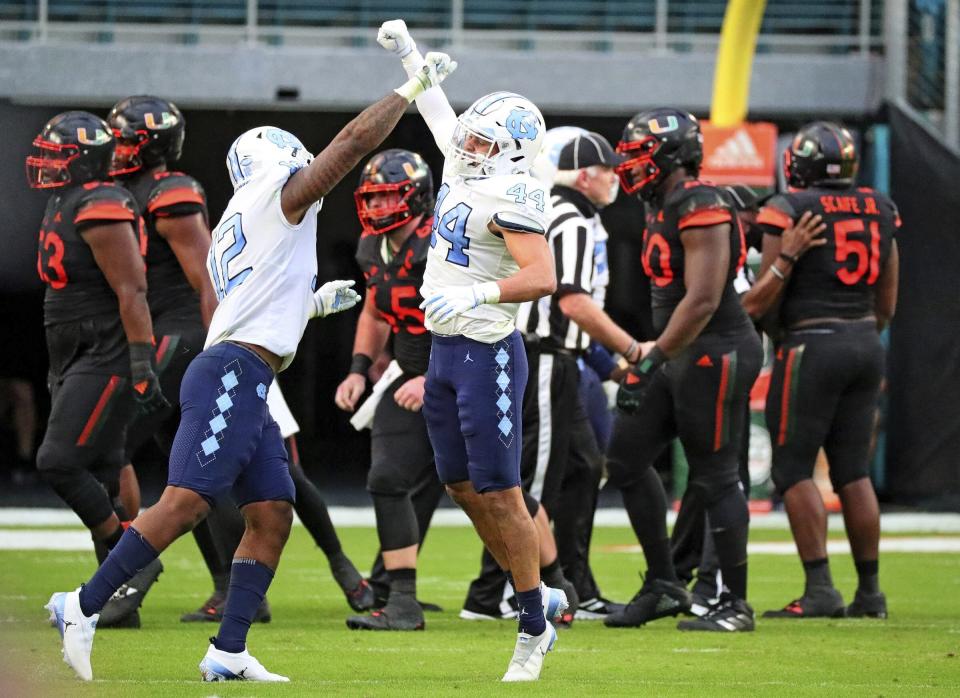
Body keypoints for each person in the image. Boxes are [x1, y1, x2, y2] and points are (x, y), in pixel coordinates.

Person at [46, 50, 457, 682]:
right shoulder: (276, 196)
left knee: (271, 513)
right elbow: (346, 147)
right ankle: (83, 606)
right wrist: (407, 92)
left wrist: (311, 305)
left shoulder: (244, 219)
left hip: (246, 367)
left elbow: (251, 301)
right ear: (274, 164)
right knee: (186, 501)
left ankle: (230, 649)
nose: (303, 166)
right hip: (233, 369)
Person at [377, 19, 566, 682]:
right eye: (472, 136)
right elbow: (438, 112)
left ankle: (534, 621)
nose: (468, 145)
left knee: (501, 491)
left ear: (515, 151)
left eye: (485, 140)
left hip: (486, 351)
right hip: (446, 352)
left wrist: (480, 296)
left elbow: (542, 277)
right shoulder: (468, 161)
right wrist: (409, 54)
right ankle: (535, 593)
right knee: (460, 484)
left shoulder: (516, 192)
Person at [603, 108, 762, 632]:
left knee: (716, 476)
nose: (630, 166)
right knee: (625, 458)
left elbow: (702, 300)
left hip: (714, 348)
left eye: (639, 155)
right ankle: (666, 582)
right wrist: (659, 355)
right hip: (680, 351)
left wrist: (652, 357)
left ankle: (735, 604)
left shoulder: (699, 201)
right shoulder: (663, 201)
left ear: (672, 155)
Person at [743, 122, 899, 620]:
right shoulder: (881, 207)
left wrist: (786, 329)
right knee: (853, 471)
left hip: (812, 343)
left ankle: (820, 589)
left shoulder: (789, 209)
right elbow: (888, 302)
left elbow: (762, 298)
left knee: (792, 470)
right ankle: (870, 594)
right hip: (865, 341)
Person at [27, 111, 168, 621]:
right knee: (106, 473)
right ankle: (120, 603)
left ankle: (133, 558)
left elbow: (131, 288)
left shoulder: (101, 201)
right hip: (74, 347)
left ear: (83, 159)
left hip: (103, 347)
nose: (46, 161)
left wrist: (139, 360)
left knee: (57, 461)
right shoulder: (70, 197)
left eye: (57, 152)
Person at [335, 148, 445, 630]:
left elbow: (466, 319)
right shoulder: (371, 247)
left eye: (389, 198)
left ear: (418, 196)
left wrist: (432, 377)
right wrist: (360, 368)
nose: (378, 208)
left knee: (491, 489)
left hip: (464, 370)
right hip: (409, 371)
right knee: (388, 476)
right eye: (373, 199)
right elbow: (376, 311)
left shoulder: (442, 244)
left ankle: (554, 583)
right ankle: (401, 599)